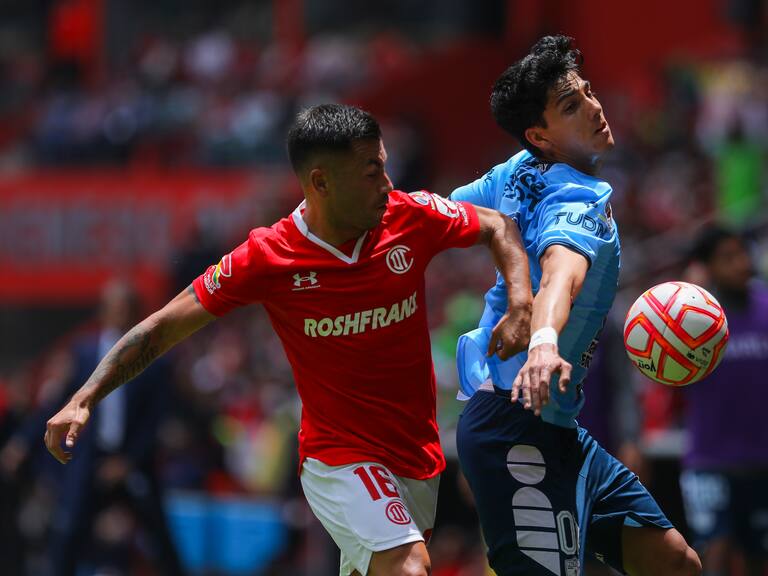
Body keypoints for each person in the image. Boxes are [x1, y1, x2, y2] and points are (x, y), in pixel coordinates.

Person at [45, 104, 533, 576]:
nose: (387, 184)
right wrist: (84, 397)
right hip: (338, 457)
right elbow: (163, 327)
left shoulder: (410, 217)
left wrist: (520, 303)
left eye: (384, 167)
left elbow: (497, 226)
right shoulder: (268, 256)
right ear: (320, 181)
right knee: (407, 564)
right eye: (370, 173)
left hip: (415, 454)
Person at [450, 36, 701, 576]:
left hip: (557, 429)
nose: (593, 106)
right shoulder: (576, 198)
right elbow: (561, 277)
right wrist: (543, 341)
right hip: (513, 426)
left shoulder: (515, 170)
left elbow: (442, 209)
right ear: (541, 135)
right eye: (571, 105)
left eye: (586, 92)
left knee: (675, 563)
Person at [25, 281, 186, 576]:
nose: (119, 315)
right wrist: (23, 440)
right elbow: (59, 401)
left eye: (125, 309)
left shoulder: (154, 358)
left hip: (133, 462)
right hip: (92, 459)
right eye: (113, 308)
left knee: (160, 537)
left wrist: (128, 461)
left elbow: (156, 418)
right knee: (69, 530)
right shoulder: (83, 354)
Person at [679, 226, 768, 576]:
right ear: (707, 266)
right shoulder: (694, 320)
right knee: (713, 553)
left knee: (759, 559)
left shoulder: (766, 307)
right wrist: (692, 288)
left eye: (743, 253)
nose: (741, 263)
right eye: (727, 258)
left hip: (762, 462)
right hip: (709, 461)